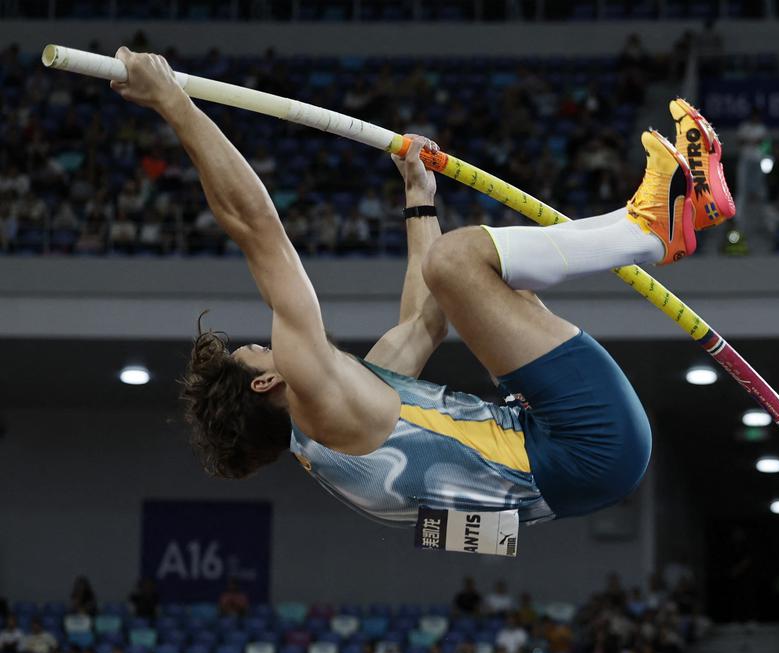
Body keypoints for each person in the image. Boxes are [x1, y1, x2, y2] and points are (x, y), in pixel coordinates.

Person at [110, 50, 734, 539]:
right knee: (459, 260)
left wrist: (418, 196)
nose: (267, 345)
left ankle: (653, 221)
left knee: (455, 268)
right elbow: (256, 229)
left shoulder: (342, 422)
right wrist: (175, 105)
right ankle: (651, 228)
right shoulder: (316, 389)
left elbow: (424, 323)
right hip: (582, 448)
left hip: (574, 459)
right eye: (258, 353)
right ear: (267, 384)